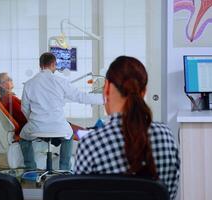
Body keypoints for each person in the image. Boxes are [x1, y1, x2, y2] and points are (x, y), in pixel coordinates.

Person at [73, 56, 180, 199]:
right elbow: (169, 194)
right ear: (144, 92)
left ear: (107, 88)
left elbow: (78, 195)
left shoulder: (91, 144)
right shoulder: (165, 136)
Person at [20, 52, 103, 170]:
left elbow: (24, 108)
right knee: (68, 136)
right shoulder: (61, 81)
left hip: (36, 126)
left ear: (40, 65)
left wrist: (33, 120)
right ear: (54, 64)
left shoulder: (29, 84)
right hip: (58, 126)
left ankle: (30, 169)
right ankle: (64, 170)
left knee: (23, 138)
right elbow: (82, 97)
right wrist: (106, 98)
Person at [0, 73, 27, 141]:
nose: (11, 79)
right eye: (8, 79)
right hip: (25, 131)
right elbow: (24, 117)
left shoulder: (6, 98)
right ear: (2, 85)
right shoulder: (9, 99)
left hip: (24, 130)